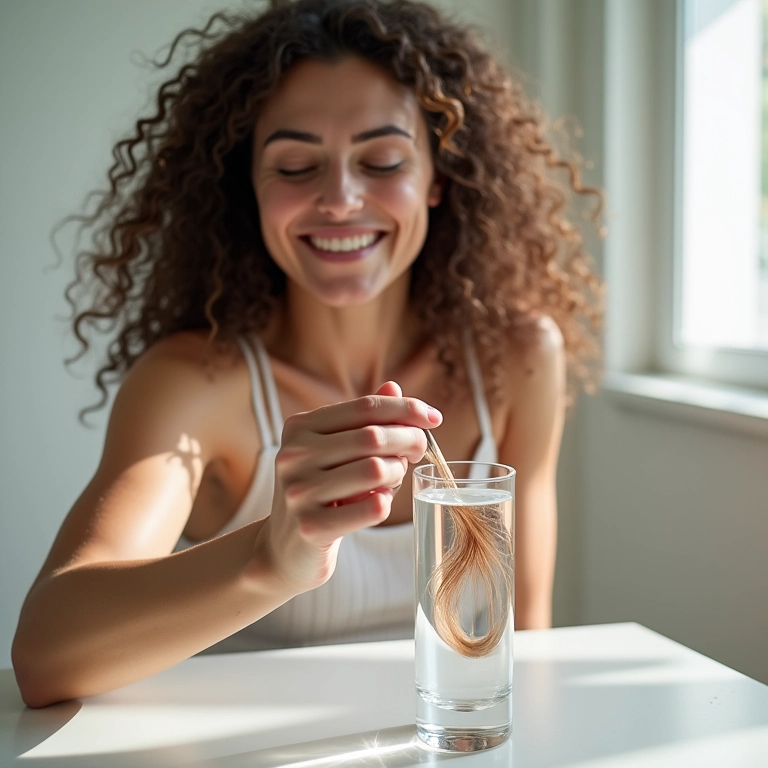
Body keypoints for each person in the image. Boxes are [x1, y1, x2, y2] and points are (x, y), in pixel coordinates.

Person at [12, 0, 604, 708]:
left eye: (382, 160)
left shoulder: (520, 359)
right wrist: (273, 556)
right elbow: (46, 658)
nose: (340, 199)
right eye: (295, 167)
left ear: (439, 176)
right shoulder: (194, 384)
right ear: (250, 189)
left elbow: (524, 648)